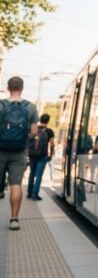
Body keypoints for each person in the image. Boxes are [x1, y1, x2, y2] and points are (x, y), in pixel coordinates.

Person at [0, 77, 39, 230]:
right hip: (19, 152)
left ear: (8, 87)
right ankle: (14, 219)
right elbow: (34, 131)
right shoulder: (30, 107)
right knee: (16, 185)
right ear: (22, 88)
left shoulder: (1, 105)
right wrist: (23, 138)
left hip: (0, 149)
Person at [26, 114, 52, 201]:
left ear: (40, 120)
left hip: (32, 154)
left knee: (32, 173)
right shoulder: (49, 131)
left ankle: (29, 193)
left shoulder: (33, 129)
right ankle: (35, 194)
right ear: (48, 121)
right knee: (39, 176)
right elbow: (52, 144)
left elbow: (28, 140)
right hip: (42, 156)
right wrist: (50, 154)